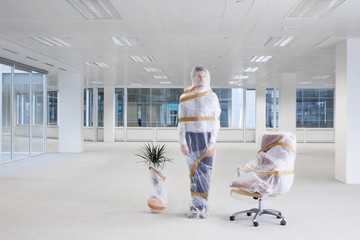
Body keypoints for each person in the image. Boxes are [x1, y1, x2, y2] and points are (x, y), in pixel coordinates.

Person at [178, 66, 221, 219]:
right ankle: (195, 206)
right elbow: (182, 122)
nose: (201, 79)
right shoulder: (185, 97)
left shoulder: (212, 97)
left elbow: (216, 122)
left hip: (207, 137)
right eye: (198, 76)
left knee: (205, 172)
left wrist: (212, 142)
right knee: (194, 173)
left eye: (203, 76)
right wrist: (183, 142)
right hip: (191, 137)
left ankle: (203, 207)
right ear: (193, 78)